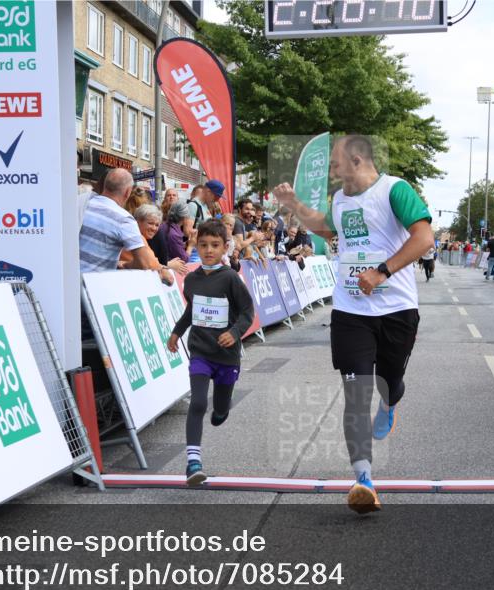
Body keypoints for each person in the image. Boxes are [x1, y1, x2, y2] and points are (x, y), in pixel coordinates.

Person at [273, 134, 434, 514]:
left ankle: (391, 400)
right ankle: (363, 479)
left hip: (396, 310)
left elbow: (424, 237)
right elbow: (329, 230)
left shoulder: (396, 190)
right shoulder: (340, 200)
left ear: (357, 159)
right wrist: (293, 203)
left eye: (335, 163)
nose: (331, 169)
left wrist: (382, 272)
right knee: (355, 394)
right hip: (351, 312)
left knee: (389, 382)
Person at [167, 220, 256, 485]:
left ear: (225, 247)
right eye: (203, 245)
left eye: (215, 245)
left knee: (219, 408)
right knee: (197, 402)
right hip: (201, 351)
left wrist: (235, 332)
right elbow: (191, 310)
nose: (208, 250)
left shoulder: (230, 278)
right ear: (196, 245)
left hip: (227, 356)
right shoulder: (191, 280)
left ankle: (222, 409)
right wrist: (176, 332)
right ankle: (193, 463)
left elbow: (247, 312)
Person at [79, 168, 172, 283]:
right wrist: (126, 265)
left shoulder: (83, 203)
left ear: (105, 185)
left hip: (66, 283)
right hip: (92, 288)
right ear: (128, 192)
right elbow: (145, 263)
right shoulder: (123, 219)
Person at [135, 203, 186, 275]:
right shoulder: (132, 238)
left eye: (157, 225)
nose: (154, 228)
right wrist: (168, 265)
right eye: (150, 223)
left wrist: (166, 264)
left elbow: (162, 260)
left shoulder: (158, 234)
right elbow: (145, 263)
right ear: (138, 221)